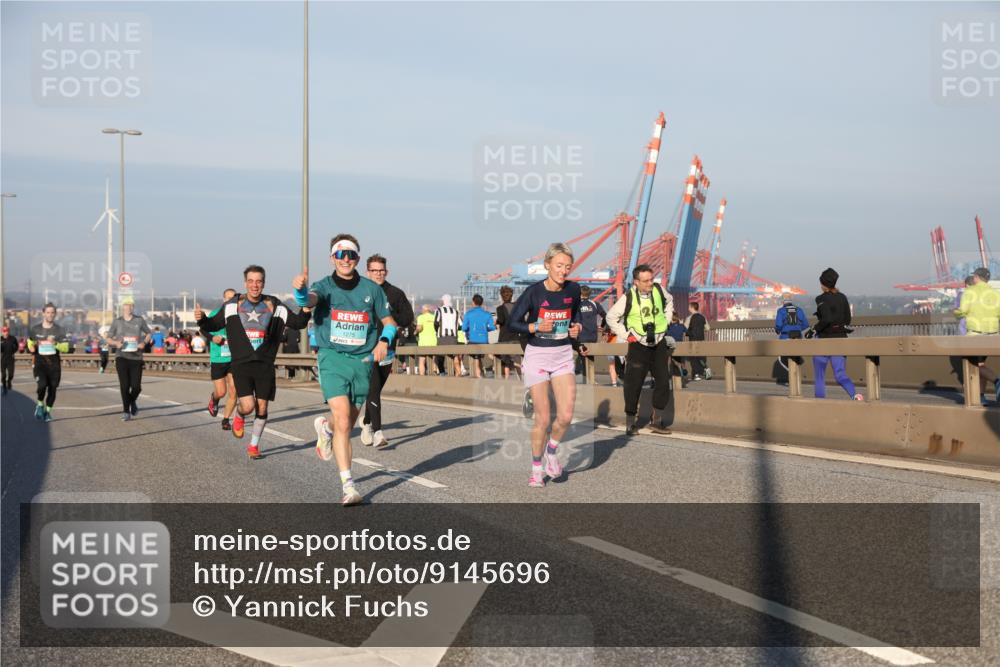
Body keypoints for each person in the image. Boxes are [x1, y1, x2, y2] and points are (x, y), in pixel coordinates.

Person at [296, 235, 396, 506]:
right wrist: (300, 292)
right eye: (340, 255)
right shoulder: (324, 286)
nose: (346, 259)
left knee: (345, 423)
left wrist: (384, 341)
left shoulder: (371, 289)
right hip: (332, 358)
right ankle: (348, 486)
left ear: (358, 259)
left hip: (362, 362)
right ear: (332, 259)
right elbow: (310, 300)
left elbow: (389, 322)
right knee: (343, 420)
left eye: (351, 255)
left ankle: (324, 429)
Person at [196, 265, 312, 459]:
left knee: (263, 407)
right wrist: (202, 319)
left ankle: (253, 446)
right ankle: (239, 415)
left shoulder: (275, 306)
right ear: (245, 283)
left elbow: (298, 322)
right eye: (251, 281)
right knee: (248, 406)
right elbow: (213, 324)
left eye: (258, 281)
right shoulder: (232, 305)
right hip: (241, 364)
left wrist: (306, 303)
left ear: (263, 283)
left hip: (265, 365)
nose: (254, 285)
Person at [507, 242, 583, 488]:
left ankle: (552, 451)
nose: (564, 271)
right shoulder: (534, 292)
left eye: (568, 266)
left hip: (562, 356)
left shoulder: (574, 289)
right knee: (543, 419)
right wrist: (535, 327)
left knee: (566, 416)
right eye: (559, 266)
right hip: (538, 356)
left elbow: (575, 316)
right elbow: (512, 322)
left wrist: (577, 328)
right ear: (547, 265)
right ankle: (536, 469)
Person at [606, 264, 675, 435]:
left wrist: (666, 321)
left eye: (652, 279)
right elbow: (611, 317)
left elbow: (670, 302)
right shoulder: (628, 297)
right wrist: (626, 334)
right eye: (645, 281)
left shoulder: (659, 290)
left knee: (663, 381)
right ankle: (631, 422)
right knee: (633, 384)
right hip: (638, 345)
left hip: (658, 342)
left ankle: (657, 421)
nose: (650, 283)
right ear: (636, 282)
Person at [360, 253, 414, 449]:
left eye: (381, 270)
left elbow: (408, 317)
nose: (378, 274)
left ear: (386, 271)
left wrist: (389, 316)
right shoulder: (359, 292)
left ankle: (366, 422)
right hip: (365, 349)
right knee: (373, 389)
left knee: (376, 389)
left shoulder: (395, 293)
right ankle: (378, 432)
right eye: (374, 270)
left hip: (388, 348)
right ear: (368, 272)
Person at [810, 268, 864, 401]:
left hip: (823, 341)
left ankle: (819, 403)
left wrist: (815, 329)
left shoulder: (820, 299)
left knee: (820, 375)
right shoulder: (842, 297)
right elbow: (848, 320)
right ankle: (854, 395)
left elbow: (826, 319)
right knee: (840, 374)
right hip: (841, 340)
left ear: (823, 284)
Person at [954, 267, 1000, 403]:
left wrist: (955, 312)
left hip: (975, 335)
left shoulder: (970, 292)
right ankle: (981, 397)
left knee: (973, 365)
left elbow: (962, 311)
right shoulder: (995, 293)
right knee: (980, 364)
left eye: (974, 276)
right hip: (992, 335)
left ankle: (997, 382)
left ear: (976, 278)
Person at [104, 297, 153, 420]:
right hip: (122, 357)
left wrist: (144, 343)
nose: (129, 307)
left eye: (131, 305)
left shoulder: (139, 320)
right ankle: (126, 411)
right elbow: (108, 338)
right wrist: (116, 343)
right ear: (123, 307)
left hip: (136, 357)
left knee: (136, 387)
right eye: (126, 305)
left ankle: (131, 401)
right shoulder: (117, 321)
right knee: (124, 386)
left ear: (133, 307)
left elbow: (149, 333)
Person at [202, 288, 239, 431]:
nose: (230, 301)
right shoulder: (215, 313)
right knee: (221, 392)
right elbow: (203, 329)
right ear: (224, 299)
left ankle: (225, 419)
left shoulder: (239, 316)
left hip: (234, 358)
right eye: (228, 298)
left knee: (234, 390)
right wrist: (213, 338)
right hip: (218, 358)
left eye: (233, 298)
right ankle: (214, 399)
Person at [27, 303, 69, 421]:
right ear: (43, 313)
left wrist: (55, 343)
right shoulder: (35, 329)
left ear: (55, 314)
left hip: (54, 363)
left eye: (52, 313)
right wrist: (31, 347)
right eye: (48, 312)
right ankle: (40, 404)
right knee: (42, 385)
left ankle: (47, 412)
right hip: (40, 362)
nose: (50, 315)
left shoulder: (59, 330)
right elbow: (29, 342)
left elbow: (65, 348)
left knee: (53, 388)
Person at [774, 293, 809, 384]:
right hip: (798, 336)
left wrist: (779, 330)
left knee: (782, 358)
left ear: (783, 301)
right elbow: (806, 324)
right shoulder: (799, 310)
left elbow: (778, 325)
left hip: (786, 336)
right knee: (795, 356)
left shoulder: (781, 311)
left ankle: (791, 377)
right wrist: (797, 329)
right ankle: (796, 376)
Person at [461, 293, 496, 379]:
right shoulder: (487, 314)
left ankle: (479, 375)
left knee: (476, 358)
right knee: (485, 356)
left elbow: (464, 328)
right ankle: (490, 369)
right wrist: (484, 329)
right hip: (484, 340)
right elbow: (492, 327)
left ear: (473, 302)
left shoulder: (468, 314)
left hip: (473, 340)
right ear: (482, 302)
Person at [576, 285, 606, 379]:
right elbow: (606, 316)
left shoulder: (576, 304)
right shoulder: (595, 304)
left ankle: (586, 379)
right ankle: (591, 379)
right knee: (591, 357)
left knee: (582, 357)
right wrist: (602, 326)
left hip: (581, 335)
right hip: (593, 335)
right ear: (589, 294)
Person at [494, 286, 521, 380]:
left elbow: (501, 320)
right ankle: (521, 379)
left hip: (504, 338)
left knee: (505, 360)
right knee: (517, 359)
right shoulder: (516, 307)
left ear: (501, 296)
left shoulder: (500, 308)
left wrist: (496, 321)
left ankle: (506, 379)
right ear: (511, 296)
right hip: (515, 337)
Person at [434, 294, 462, 376]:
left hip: (442, 337)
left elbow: (436, 323)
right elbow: (461, 325)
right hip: (453, 337)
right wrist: (455, 329)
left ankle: (442, 373)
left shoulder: (439, 310)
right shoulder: (456, 311)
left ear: (443, 301)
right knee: (454, 356)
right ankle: (457, 372)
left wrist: (437, 331)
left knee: (440, 357)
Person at [685, 301, 709, 380]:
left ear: (692, 308)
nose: (688, 308)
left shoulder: (689, 318)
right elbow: (708, 328)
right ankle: (706, 371)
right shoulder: (703, 317)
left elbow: (685, 328)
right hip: (701, 339)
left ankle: (696, 375)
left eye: (689, 307)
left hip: (693, 340)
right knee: (701, 357)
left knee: (694, 357)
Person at [415, 304, 437, 375]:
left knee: (422, 360)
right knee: (434, 360)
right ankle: (434, 374)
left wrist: (415, 331)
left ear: (424, 310)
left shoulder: (420, 317)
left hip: (423, 342)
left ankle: (422, 377)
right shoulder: (434, 317)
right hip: (433, 341)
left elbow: (419, 328)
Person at [666, 314, 687, 385]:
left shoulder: (670, 327)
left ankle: (675, 376)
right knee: (682, 361)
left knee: (673, 361)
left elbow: (667, 335)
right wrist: (682, 324)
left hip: (673, 346)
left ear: (671, 320)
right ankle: (683, 370)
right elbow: (687, 331)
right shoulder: (681, 326)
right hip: (681, 346)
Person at [1, 326, 18, 395]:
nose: (6, 332)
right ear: (2, 332)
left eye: (7, 331)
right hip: (3, 359)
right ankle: (4, 388)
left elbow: (17, 346)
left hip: (10, 359)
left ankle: (9, 381)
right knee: (3, 375)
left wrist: (14, 350)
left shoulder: (13, 338)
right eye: (4, 331)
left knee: (11, 374)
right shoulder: (0, 339)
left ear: (8, 331)